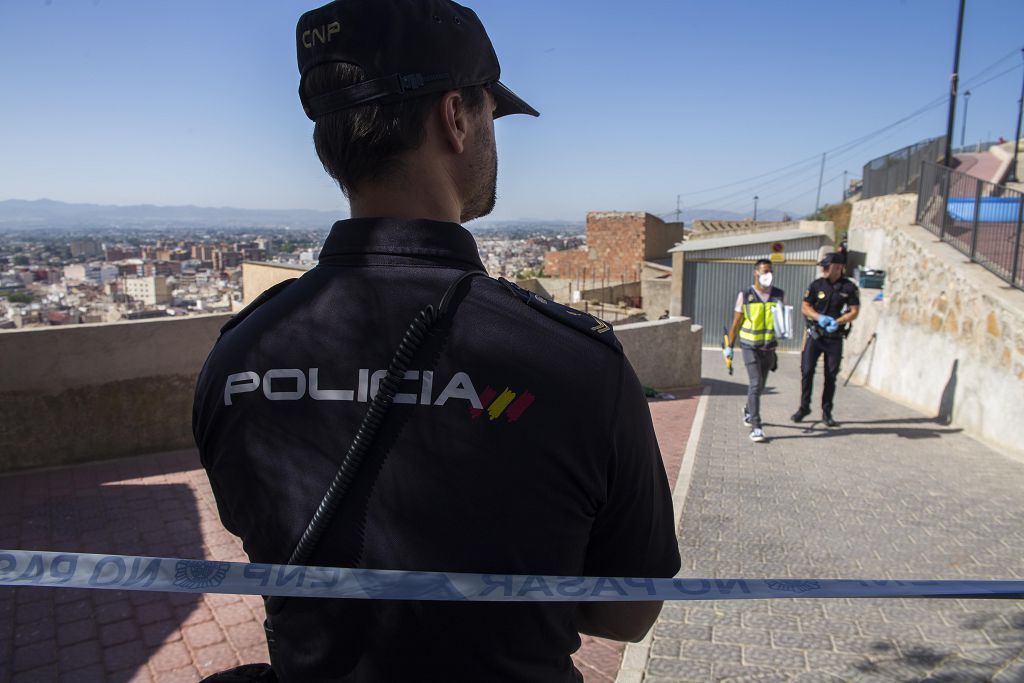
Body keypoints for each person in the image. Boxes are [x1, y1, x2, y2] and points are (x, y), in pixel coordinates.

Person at [191, 1, 681, 681]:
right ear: (456, 116)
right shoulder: (576, 366)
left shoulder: (237, 358)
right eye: (488, 113)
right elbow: (627, 613)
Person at [791, 252, 860, 427]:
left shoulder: (849, 287)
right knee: (807, 371)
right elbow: (805, 307)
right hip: (815, 335)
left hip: (834, 338)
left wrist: (839, 321)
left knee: (831, 375)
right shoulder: (817, 285)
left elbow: (854, 311)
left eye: (827, 266)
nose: (823, 269)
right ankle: (804, 407)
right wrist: (819, 317)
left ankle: (827, 412)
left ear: (838, 267)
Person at [724, 259, 784, 443]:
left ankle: (749, 410)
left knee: (761, 386)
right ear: (755, 272)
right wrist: (729, 347)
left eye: (770, 271)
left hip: (769, 348)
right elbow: (737, 322)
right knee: (756, 383)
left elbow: (782, 320)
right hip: (750, 346)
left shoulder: (778, 295)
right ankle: (756, 426)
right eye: (765, 271)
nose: (768, 275)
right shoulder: (746, 295)